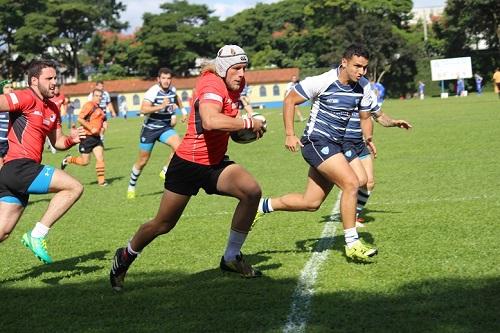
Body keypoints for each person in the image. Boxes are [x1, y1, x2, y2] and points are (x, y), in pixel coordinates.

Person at [110, 45, 266, 291]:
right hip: (188, 164)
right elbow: (211, 120)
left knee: (251, 192)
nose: (241, 74)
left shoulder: (235, 86)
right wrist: (248, 121)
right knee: (163, 224)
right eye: (236, 68)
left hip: (214, 163)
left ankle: (231, 257)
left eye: (244, 68)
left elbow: (228, 127)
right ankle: (125, 256)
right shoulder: (211, 83)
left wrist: (247, 131)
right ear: (224, 68)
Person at [254, 44, 384, 261]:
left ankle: (261, 206)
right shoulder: (321, 81)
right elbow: (289, 100)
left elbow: (365, 116)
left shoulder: (362, 86)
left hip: (339, 145)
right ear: (344, 62)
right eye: (357, 66)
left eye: (364, 68)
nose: (361, 72)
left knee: (311, 203)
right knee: (352, 183)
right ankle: (352, 243)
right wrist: (289, 133)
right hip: (317, 142)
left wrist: (368, 138)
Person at [0, 60, 85, 264]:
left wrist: (72, 140)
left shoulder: (52, 109)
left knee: (2, 232)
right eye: (49, 78)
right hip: (19, 167)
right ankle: (37, 235)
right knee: (73, 187)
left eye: (56, 78)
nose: (55, 82)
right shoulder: (25, 96)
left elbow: (58, 142)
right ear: (34, 81)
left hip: (18, 175)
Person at [333, 105, 411, 227]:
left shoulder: (367, 93)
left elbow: (379, 116)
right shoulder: (341, 89)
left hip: (360, 142)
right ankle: (349, 218)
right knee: (353, 182)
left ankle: (353, 216)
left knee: (369, 183)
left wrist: (394, 122)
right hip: (343, 142)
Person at [126, 67, 188, 199]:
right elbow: (143, 109)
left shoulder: (173, 90)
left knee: (180, 147)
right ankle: (131, 185)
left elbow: (177, 98)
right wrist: (161, 106)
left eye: (168, 78)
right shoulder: (153, 91)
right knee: (142, 161)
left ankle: (165, 171)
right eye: (163, 78)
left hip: (165, 128)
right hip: (150, 129)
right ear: (158, 79)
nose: (166, 81)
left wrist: (183, 111)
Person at [61, 89, 108, 187]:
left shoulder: (100, 108)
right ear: (93, 96)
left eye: (100, 96)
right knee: (85, 162)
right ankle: (68, 159)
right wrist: (91, 128)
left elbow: (103, 120)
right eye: (97, 95)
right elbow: (80, 119)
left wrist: (104, 126)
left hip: (97, 138)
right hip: (87, 138)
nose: (99, 97)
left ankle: (101, 182)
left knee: (100, 159)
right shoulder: (89, 105)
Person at [46, 84, 67, 154]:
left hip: (58, 117)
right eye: (55, 88)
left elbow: (65, 103)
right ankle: (52, 148)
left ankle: (51, 144)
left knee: (57, 133)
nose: (56, 90)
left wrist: (65, 111)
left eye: (58, 89)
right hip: (49, 117)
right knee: (48, 132)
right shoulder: (49, 96)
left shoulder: (62, 96)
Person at [0, 80, 14, 167]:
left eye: (11, 87)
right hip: (0, 142)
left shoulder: (15, 105)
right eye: (7, 87)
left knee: (8, 167)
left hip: (10, 142)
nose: (10, 89)